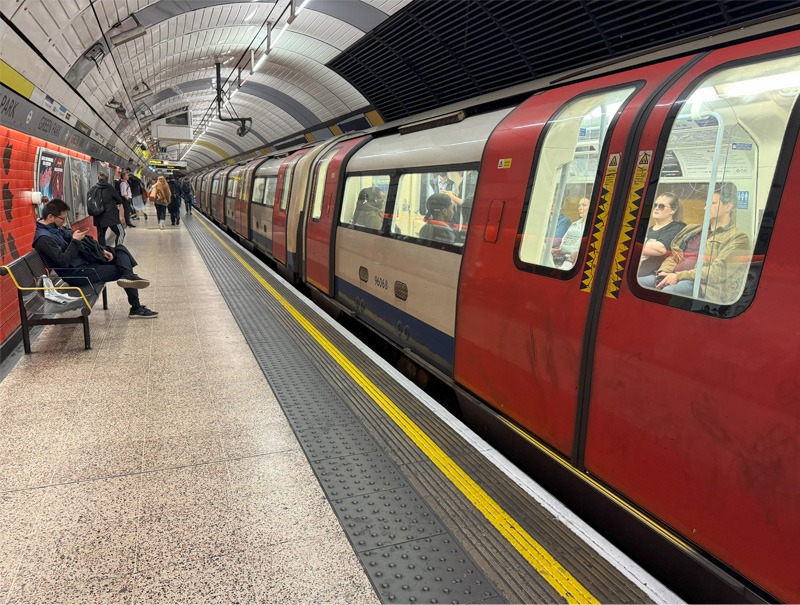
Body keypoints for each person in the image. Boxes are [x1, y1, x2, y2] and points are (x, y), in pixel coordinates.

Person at [33, 198, 158, 319]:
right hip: (77, 274)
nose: (64, 223)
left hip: (86, 262)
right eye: (62, 219)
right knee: (123, 269)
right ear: (50, 217)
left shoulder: (55, 229)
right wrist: (75, 241)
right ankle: (135, 306)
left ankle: (129, 278)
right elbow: (63, 262)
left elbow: (75, 243)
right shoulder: (44, 238)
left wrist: (100, 251)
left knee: (120, 250)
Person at [641, 183, 751, 304]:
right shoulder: (693, 230)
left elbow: (717, 272)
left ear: (728, 207)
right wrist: (663, 272)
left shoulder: (738, 238)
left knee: (668, 292)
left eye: (712, 204)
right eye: (705, 204)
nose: (705, 208)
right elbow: (675, 255)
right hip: (674, 276)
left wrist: (679, 276)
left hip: (702, 286)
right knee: (641, 284)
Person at [637, 192, 686, 277]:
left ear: (673, 210)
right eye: (655, 205)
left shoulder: (677, 227)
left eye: (661, 206)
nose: (656, 208)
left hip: (653, 275)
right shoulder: (648, 229)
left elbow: (660, 249)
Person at [551, 197, 590, 269]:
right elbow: (563, 242)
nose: (579, 208)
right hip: (561, 259)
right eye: (579, 205)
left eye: (583, 205)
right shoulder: (574, 224)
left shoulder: (591, 228)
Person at [92, 172, 125, 247]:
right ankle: (119, 250)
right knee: (121, 233)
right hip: (111, 217)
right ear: (107, 179)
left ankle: (103, 254)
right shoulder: (110, 188)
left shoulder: (94, 188)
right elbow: (119, 200)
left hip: (98, 217)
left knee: (101, 236)